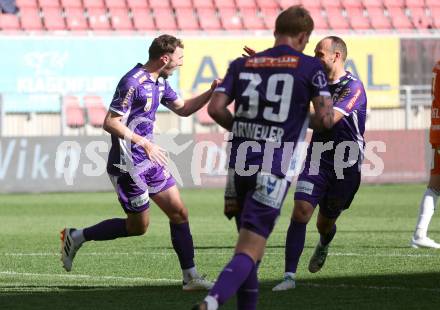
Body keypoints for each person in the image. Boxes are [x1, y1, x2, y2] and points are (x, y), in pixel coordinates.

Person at [192, 6, 334, 309]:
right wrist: (295, 114)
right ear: (304, 36)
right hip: (273, 164)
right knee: (250, 249)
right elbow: (324, 119)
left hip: (239, 164)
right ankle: (212, 302)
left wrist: (246, 128)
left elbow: (215, 109)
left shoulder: (243, 64)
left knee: (249, 249)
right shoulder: (311, 68)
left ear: (275, 31)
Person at [60, 34, 220, 291]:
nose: (181, 63)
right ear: (165, 58)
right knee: (138, 227)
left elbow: (184, 108)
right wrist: (144, 143)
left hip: (151, 160)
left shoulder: (160, 82)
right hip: (128, 165)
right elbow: (110, 122)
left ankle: (190, 277)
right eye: (179, 59)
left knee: (179, 212)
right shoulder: (131, 82)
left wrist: (212, 91)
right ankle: (77, 236)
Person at [272, 36, 367, 291]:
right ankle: (289, 277)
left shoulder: (353, 87)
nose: (314, 58)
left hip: (345, 163)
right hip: (318, 157)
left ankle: (325, 240)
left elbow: (327, 121)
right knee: (301, 210)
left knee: (324, 223)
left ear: (336, 56)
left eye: (319, 53)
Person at [411, 60, 440, 249]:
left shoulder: (438, 65)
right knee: (435, 185)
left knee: (435, 185)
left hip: (436, 129)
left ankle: (420, 233)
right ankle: (419, 234)